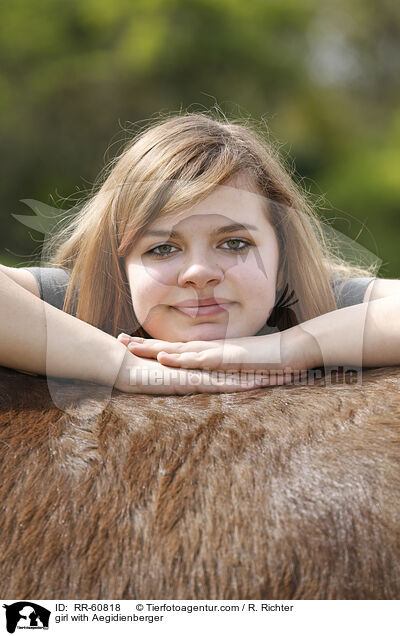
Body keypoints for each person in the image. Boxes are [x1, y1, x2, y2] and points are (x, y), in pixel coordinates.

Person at [1, 111, 400, 394]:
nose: (199, 273)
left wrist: (294, 347)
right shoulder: (81, 301)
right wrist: (120, 366)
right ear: (119, 267)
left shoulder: (313, 301)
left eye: (234, 243)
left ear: (282, 255)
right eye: (162, 248)